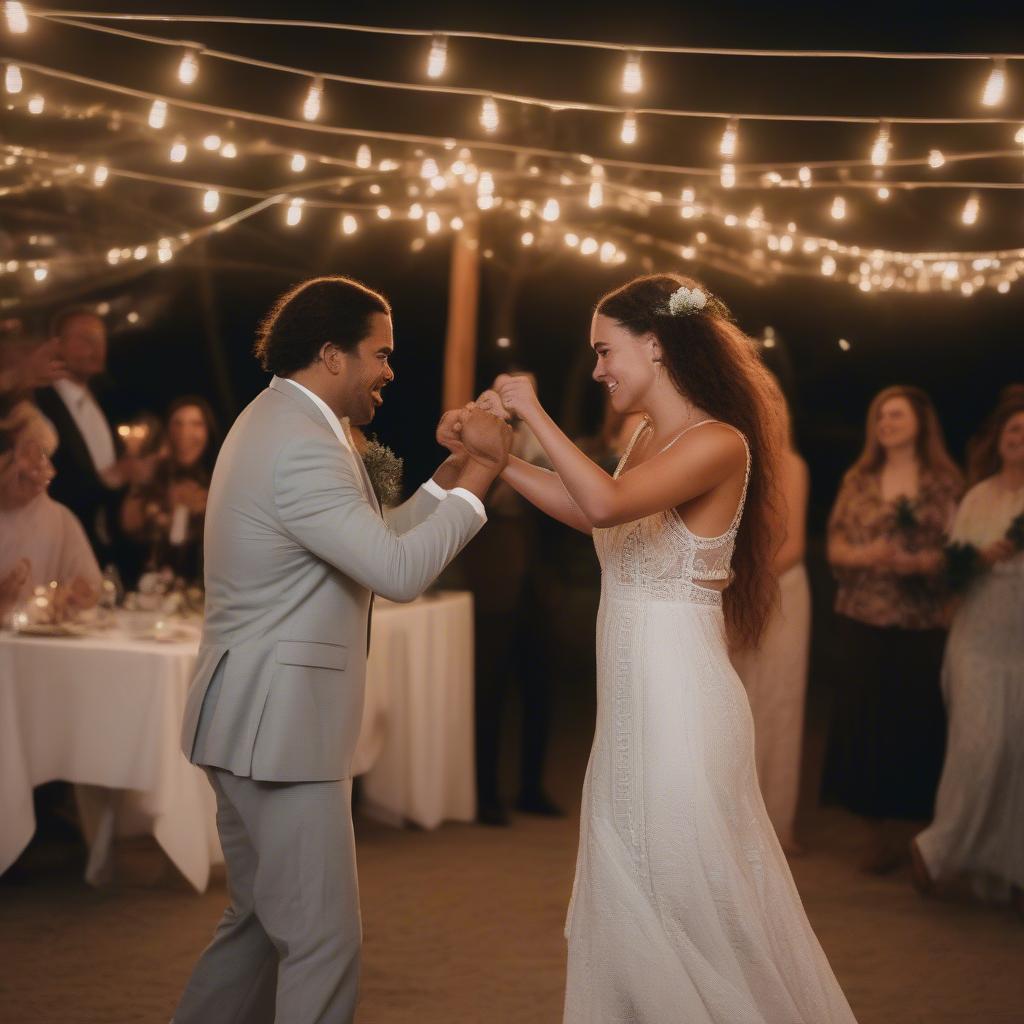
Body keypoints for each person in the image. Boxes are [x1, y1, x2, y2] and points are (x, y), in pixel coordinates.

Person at [464, 273, 856, 1022]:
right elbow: (597, 520)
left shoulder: (720, 441)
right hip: (631, 705)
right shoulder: (644, 437)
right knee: (629, 880)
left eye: (606, 351)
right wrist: (497, 459)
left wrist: (531, 411)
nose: (600, 368)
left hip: (683, 702)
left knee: (687, 891)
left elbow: (605, 501)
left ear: (657, 345)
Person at [173, 275, 511, 1024]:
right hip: (279, 730)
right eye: (380, 354)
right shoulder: (300, 445)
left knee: (258, 926)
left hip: (252, 718)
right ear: (332, 354)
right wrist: (485, 471)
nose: (392, 371)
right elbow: (397, 573)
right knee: (324, 943)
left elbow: (370, 542)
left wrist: (452, 475)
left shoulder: (284, 423)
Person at [823, 386, 962, 874]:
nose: (886, 422)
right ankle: (875, 835)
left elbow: (961, 553)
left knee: (917, 722)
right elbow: (835, 545)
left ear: (920, 423)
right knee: (868, 723)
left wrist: (923, 562)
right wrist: (868, 556)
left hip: (920, 620)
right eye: (880, 415)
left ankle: (915, 834)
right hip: (863, 616)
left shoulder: (944, 484)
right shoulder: (859, 479)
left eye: (896, 415)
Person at [912, 395, 1024, 910]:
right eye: (1012, 432)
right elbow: (951, 568)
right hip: (978, 637)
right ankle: (937, 850)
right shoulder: (978, 496)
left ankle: (1009, 867)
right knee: (979, 746)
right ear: (999, 440)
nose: (1018, 439)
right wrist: (980, 556)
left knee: (1016, 754)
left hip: (1019, 640)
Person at [462, 373, 561, 825]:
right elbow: (491, 497)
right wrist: (502, 436)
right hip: (494, 579)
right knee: (489, 690)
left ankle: (531, 787)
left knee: (542, 686)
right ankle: (484, 793)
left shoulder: (543, 440)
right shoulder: (481, 434)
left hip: (539, 581)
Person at [732, 388, 811, 854]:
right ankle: (732, 821)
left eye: (774, 406)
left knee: (777, 704)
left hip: (780, 591)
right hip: (737, 589)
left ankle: (775, 824)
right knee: (736, 703)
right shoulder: (735, 459)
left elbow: (795, 543)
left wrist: (751, 589)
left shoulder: (792, 465)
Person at [35, 308, 126, 560]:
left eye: (101, 340)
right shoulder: (40, 403)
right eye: (86, 339)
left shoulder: (103, 401)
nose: (97, 348)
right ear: (58, 345)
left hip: (105, 544)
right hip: (58, 544)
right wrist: (109, 479)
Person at [0, 401, 102, 616]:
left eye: (46, 456)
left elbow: (90, 588)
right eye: (31, 455)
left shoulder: (60, 519)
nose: (45, 471)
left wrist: (77, 595)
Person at [121, 397, 218, 584]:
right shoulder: (152, 478)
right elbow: (128, 526)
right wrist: (166, 503)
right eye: (178, 424)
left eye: (196, 424)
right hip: (149, 591)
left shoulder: (221, 480)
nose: (185, 433)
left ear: (209, 432)